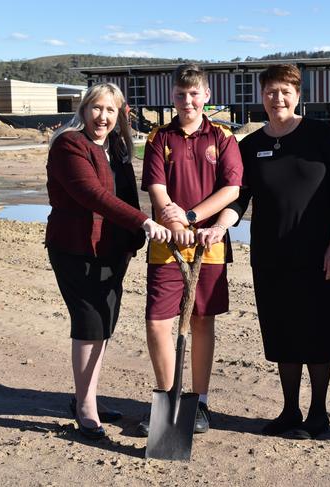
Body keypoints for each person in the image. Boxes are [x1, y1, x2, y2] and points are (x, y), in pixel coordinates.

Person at [212, 64, 330, 439]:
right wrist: (219, 225)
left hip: (321, 254)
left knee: (319, 331)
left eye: (285, 92)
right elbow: (238, 198)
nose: (278, 99)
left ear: (297, 95)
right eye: (271, 91)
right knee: (281, 331)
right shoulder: (251, 145)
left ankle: (318, 413)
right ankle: (290, 410)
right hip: (271, 256)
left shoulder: (319, 135)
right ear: (262, 95)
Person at [46, 82, 171, 440]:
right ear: (84, 110)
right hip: (76, 249)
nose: (102, 116)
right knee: (88, 323)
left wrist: (133, 240)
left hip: (113, 251)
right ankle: (85, 410)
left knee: (104, 323)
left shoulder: (116, 148)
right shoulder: (70, 145)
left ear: (119, 116)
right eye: (97, 108)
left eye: (110, 111)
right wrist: (144, 223)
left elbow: (128, 194)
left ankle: (88, 398)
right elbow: (92, 195)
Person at [138, 64, 243, 436]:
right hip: (167, 243)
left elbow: (232, 189)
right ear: (172, 97)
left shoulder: (223, 137)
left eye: (195, 94)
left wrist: (195, 218)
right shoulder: (158, 138)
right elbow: (157, 188)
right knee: (157, 322)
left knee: (201, 322)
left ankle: (199, 401)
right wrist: (178, 225)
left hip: (208, 243)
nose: (188, 101)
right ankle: (168, 397)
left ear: (207, 96)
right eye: (181, 95)